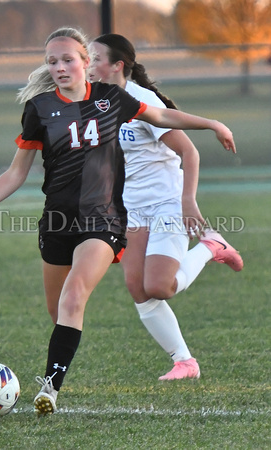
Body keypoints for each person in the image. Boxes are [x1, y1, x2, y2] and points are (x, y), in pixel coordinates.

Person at [0, 27, 238, 416]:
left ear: (85, 62)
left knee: (75, 297)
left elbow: (160, 114)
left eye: (68, 59)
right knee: (58, 312)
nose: (59, 67)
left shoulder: (112, 98)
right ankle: (62, 365)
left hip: (103, 221)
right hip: (57, 222)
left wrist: (212, 124)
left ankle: (50, 389)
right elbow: (15, 172)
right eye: (52, 61)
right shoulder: (39, 109)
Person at [88, 34, 243, 380]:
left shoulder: (141, 101)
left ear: (117, 66)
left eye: (95, 58)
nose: (88, 65)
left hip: (167, 203)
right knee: (137, 288)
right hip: (131, 209)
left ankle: (210, 246)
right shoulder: (93, 102)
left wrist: (188, 201)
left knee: (159, 287)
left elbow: (189, 152)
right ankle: (184, 362)